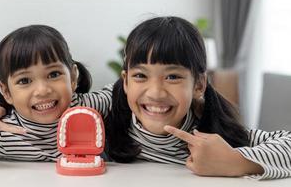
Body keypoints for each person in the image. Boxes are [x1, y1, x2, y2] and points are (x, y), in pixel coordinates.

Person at [105, 16, 291, 180]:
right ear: (126, 82)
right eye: (140, 76)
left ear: (199, 85)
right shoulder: (105, 125)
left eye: (172, 77)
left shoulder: (214, 136)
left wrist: (235, 161)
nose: (155, 93)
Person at [0, 25, 112, 161]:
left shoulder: (89, 109)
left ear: (72, 77)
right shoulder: (0, 134)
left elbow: (122, 93)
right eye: (24, 81)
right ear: (6, 92)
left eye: (54, 74)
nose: (42, 90)